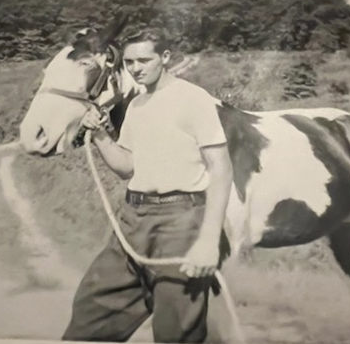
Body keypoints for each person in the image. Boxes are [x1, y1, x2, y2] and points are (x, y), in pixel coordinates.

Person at [61, 28, 233, 343]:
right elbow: (127, 166)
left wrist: (209, 240)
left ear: (165, 58)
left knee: (175, 330)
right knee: (91, 313)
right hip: (132, 219)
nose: (136, 68)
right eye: (129, 62)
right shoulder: (137, 105)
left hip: (181, 221)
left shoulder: (193, 98)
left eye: (144, 59)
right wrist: (99, 135)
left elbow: (221, 168)